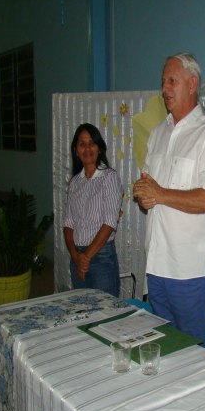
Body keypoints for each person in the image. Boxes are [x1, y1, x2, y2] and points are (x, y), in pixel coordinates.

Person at [132, 52, 205, 345]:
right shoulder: (158, 132)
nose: (164, 89)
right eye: (163, 82)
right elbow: (148, 186)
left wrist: (159, 194)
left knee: (190, 353)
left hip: (189, 269)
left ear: (192, 84)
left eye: (171, 81)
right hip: (156, 263)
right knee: (163, 347)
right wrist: (143, 195)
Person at [63, 123, 123, 296]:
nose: (87, 148)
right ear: (76, 150)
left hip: (101, 258)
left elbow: (109, 223)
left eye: (92, 143)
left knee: (106, 313)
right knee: (82, 311)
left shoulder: (109, 178)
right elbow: (68, 223)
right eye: (82, 144)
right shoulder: (75, 182)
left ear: (100, 148)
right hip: (77, 257)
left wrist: (86, 257)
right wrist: (75, 255)